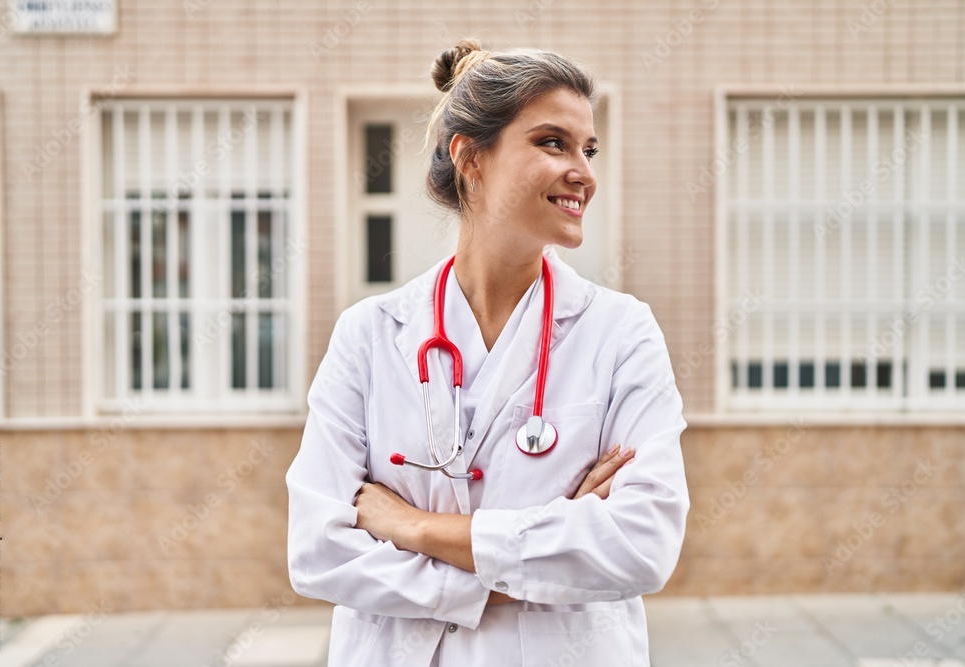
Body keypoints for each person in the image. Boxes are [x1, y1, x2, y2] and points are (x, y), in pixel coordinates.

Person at [286, 38, 690, 667]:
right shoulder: (369, 335)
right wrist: (537, 556)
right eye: (552, 142)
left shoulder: (620, 334)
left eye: (589, 148)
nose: (582, 170)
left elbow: (641, 545)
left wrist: (412, 528)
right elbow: (316, 552)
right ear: (470, 157)